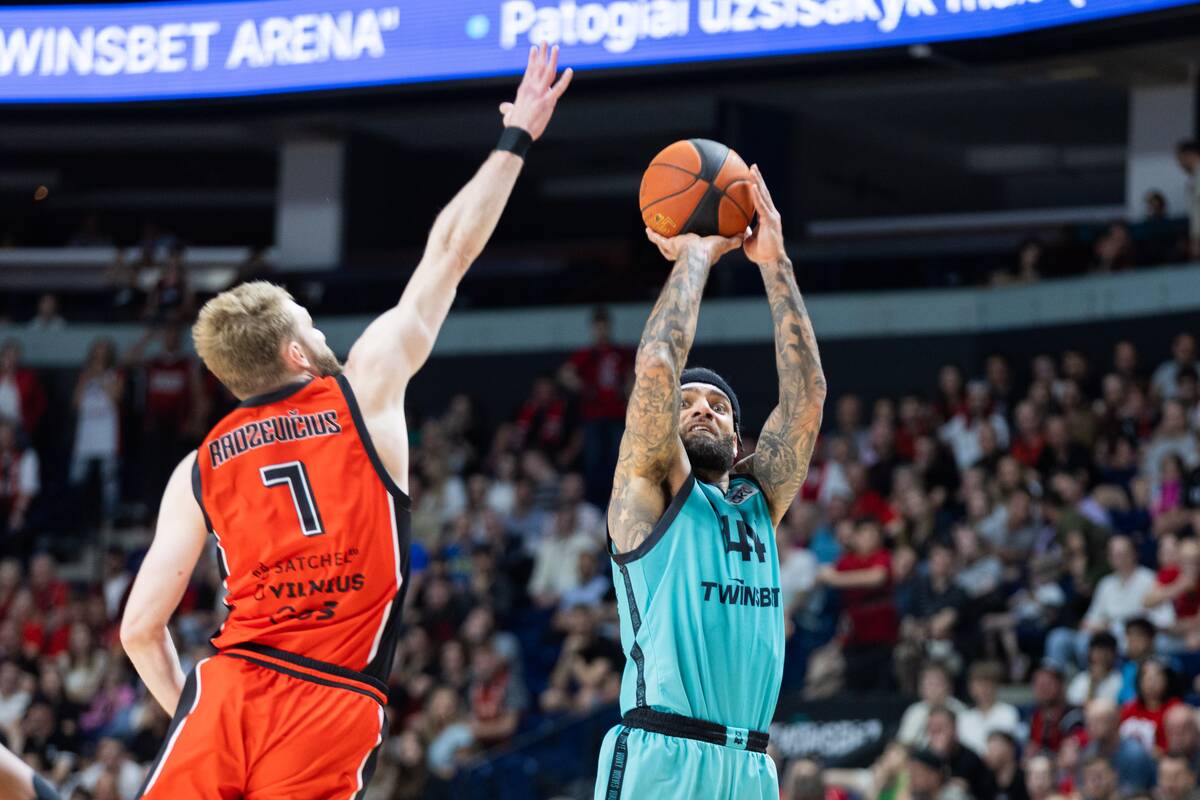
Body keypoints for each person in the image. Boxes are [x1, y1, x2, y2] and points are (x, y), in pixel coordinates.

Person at [118, 46, 571, 799]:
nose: (321, 330)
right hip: (327, 696)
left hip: (225, 692)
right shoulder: (363, 390)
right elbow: (449, 252)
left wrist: (192, 720)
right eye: (310, 321)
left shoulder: (197, 467)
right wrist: (516, 136)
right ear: (295, 351)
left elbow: (139, 629)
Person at [593, 164, 826, 799]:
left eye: (718, 405)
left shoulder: (758, 501)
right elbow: (656, 366)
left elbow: (807, 398)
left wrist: (775, 264)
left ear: (738, 438)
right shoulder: (649, 490)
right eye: (687, 402)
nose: (702, 409)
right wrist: (696, 255)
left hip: (750, 763)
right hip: (663, 754)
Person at [559, 307, 634, 505]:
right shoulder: (587, 354)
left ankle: (619, 502)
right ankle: (594, 503)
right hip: (593, 415)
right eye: (598, 328)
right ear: (593, 329)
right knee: (593, 460)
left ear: (610, 328)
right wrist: (585, 388)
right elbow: (565, 374)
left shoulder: (620, 352)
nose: (602, 332)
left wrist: (628, 396)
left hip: (617, 414)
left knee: (619, 459)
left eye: (604, 327)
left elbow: (630, 377)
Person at [818, 517, 897, 692]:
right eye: (864, 534)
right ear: (855, 537)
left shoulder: (882, 557)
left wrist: (836, 579)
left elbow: (877, 577)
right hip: (854, 632)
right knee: (853, 681)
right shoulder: (846, 560)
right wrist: (829, 576)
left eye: (874, 535)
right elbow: (822, 575)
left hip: (881, 631)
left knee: (880, 681)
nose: (869, 538)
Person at [1079, 697, 1156, 793]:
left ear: (1115, 720)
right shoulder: (1090, 751)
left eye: (1098, 720)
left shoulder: (1134, 754)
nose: (1091, 726)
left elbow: (1136, 794)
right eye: (1089, 721)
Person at [1066, 632, 1123, 706]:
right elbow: (1073, 705)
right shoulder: (1081, 679)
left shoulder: (1119, 680)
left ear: (1114, 655)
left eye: (1106, 651)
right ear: (1090, 653)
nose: (1101, 656)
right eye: (1098, 651)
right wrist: (1092, 684)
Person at [1176, 140, 1200, 261]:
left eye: (1180, 159)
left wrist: (1196, 240)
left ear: (1189, 155)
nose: (1179, 164)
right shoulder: (1194, 178)